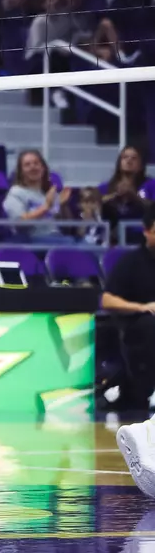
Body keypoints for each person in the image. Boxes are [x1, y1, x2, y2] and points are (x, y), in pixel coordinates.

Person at [111, 209, 155, 498]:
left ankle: (149, 433)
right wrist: (142, 307)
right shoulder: (131, 262)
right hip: (139, 326)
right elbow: (105, 298)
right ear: (147, 230)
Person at [4, 148, 70, 240]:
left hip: (56, 237)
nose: (33, 167)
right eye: (27, 165)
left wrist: (62, 205)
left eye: (36, 163)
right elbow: (19, 223)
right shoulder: (16, 192)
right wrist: (46, 207)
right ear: (21, 171)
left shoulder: (46, 193)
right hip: (32, 240)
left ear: (43, 168)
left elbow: (65, 227)